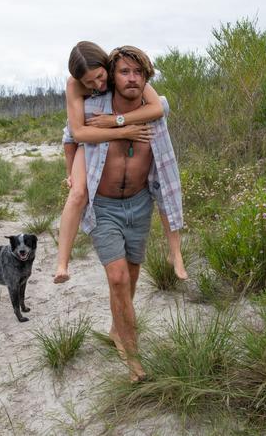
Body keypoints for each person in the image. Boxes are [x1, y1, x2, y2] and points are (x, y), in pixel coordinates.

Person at [80, 45, 184, 381]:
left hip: (140, 205)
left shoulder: (155, 111)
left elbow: (166, 178)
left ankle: (116, 330)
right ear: (112, 75)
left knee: (130, 280)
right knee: (118, 277)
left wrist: (120, 121)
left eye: (138, 72)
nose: (132, 78)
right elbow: (72, 134)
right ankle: (133, 358)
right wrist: (72, 173)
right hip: (105, 206)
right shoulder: (93, 108)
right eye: (124, 71)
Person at [53, 41, 187, 284]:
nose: (97, 85)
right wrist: (121, 131)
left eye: (100, 77)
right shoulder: (75, 85)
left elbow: (159, 107)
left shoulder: (126, 76)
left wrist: (117, 120)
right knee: (77, 193)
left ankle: (175, 253)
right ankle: (62, 263)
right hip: (91, 142)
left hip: (111, 136)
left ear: (107, 67)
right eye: (89, 83)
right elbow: (75, 134)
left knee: (166, 187)